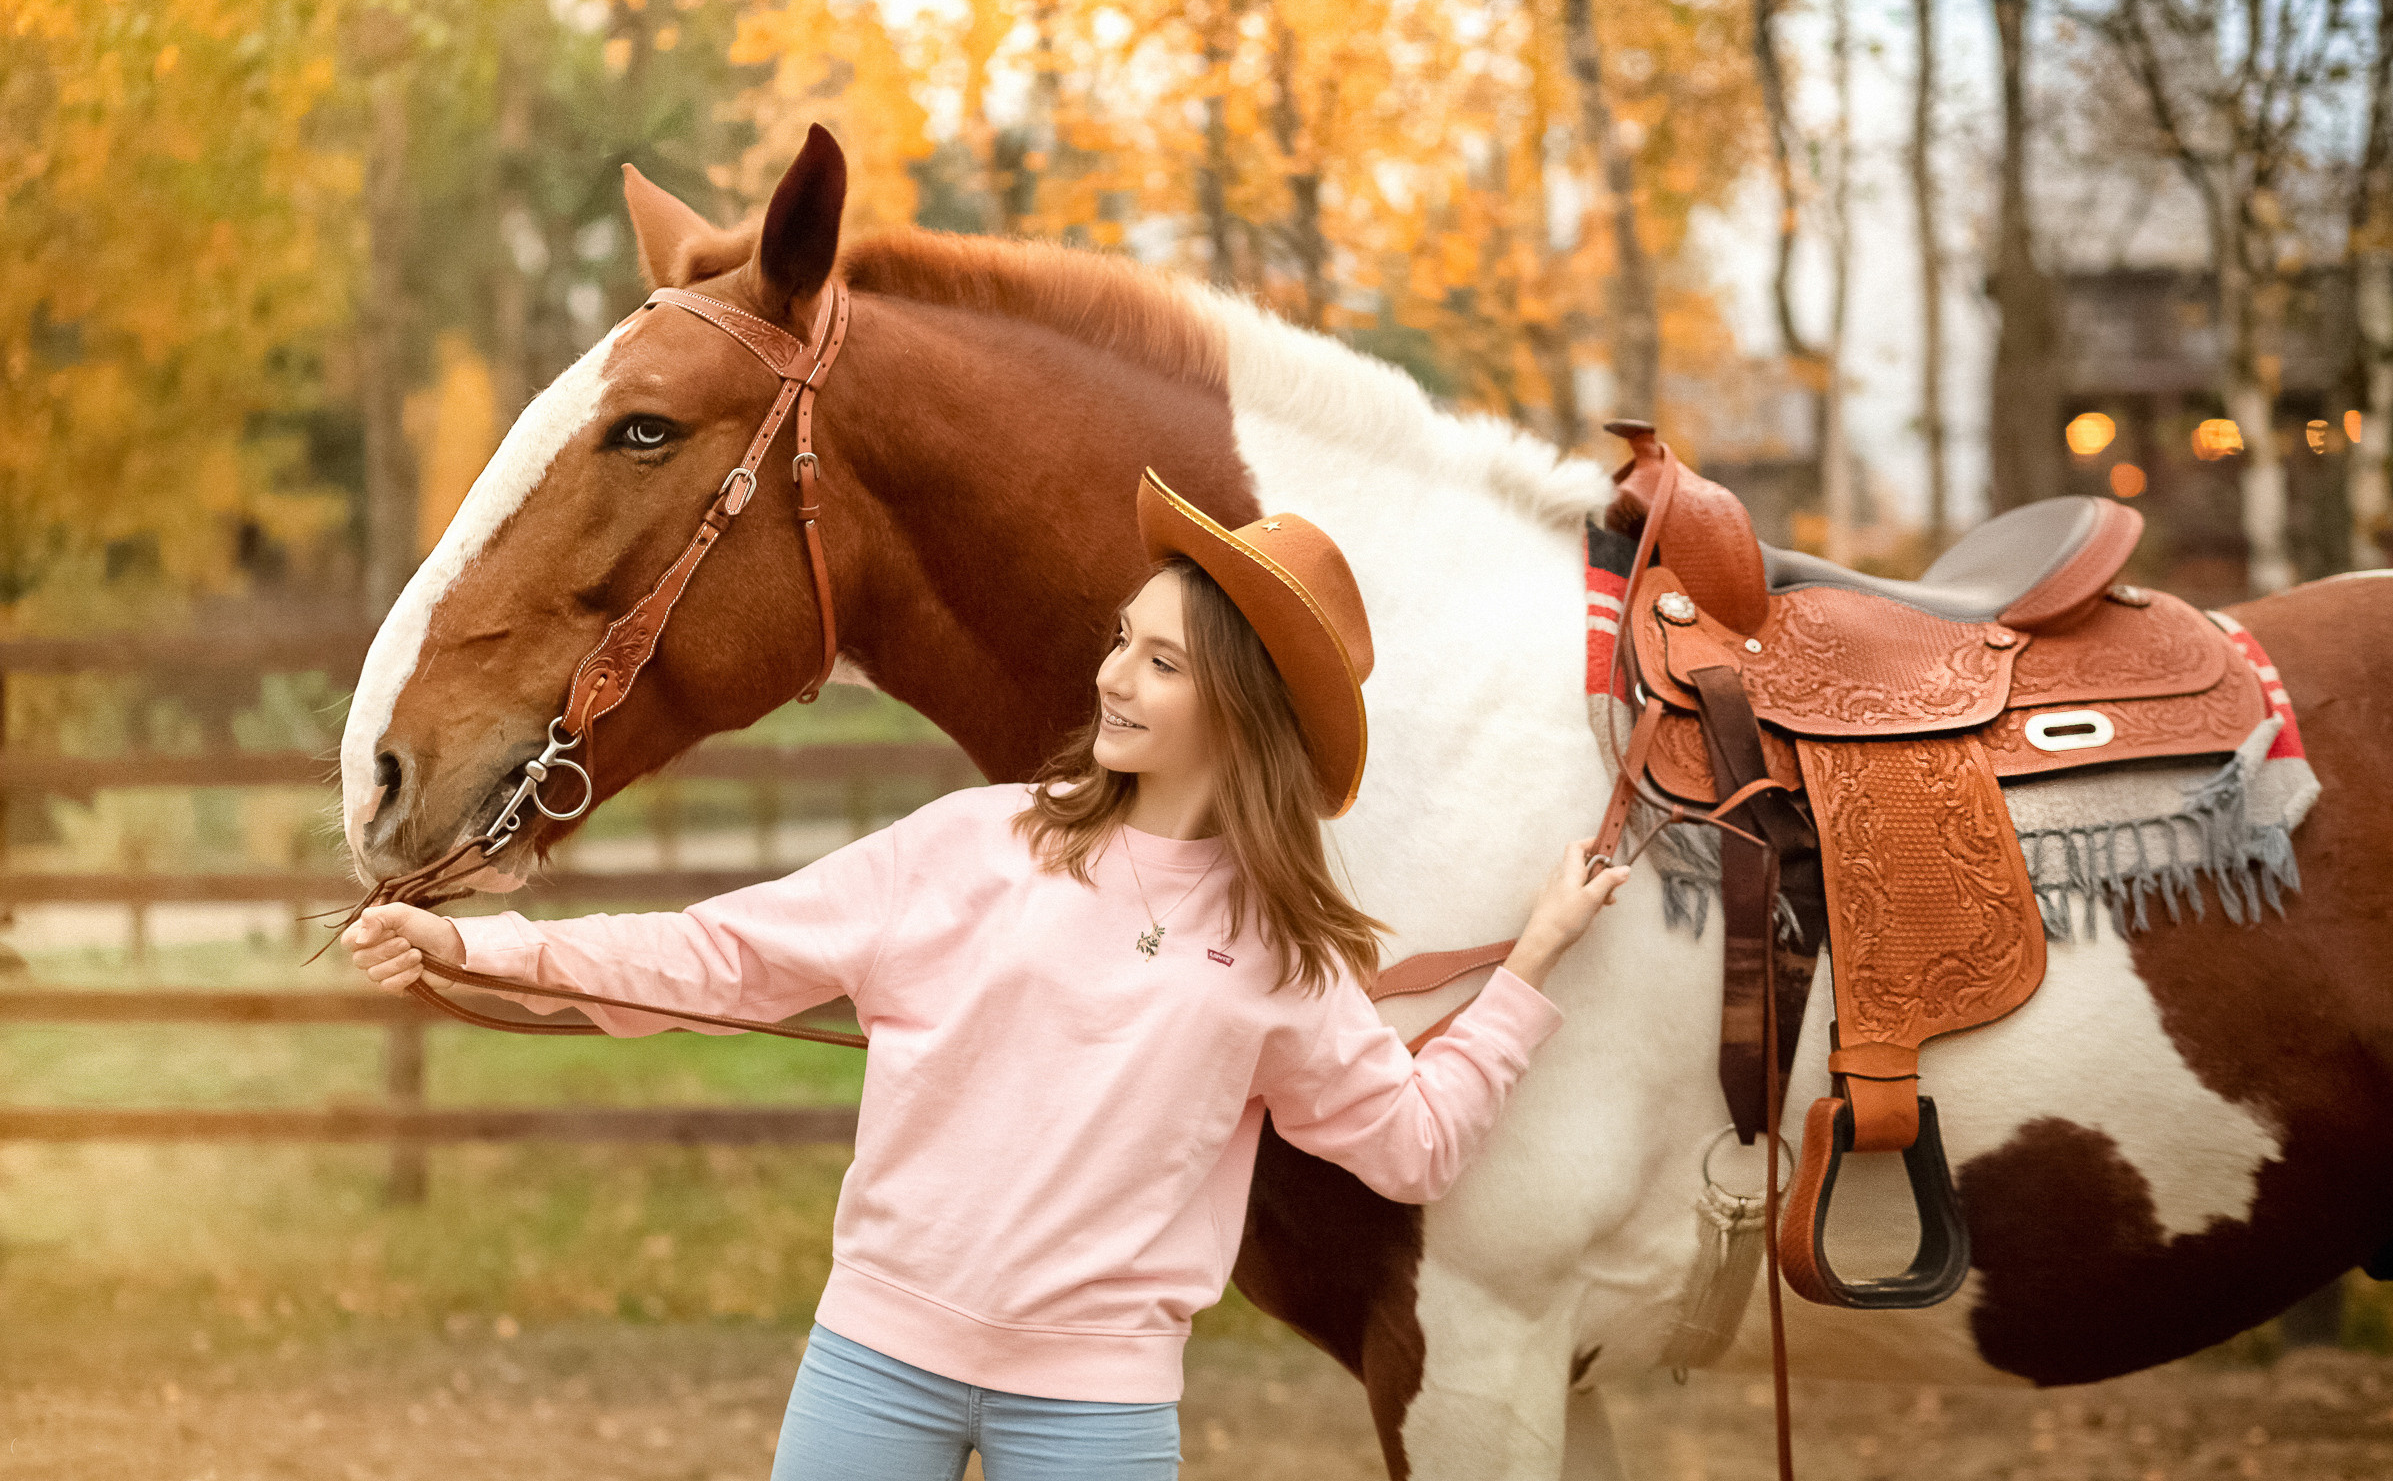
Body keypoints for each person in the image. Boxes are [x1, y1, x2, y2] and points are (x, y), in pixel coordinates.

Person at [344, 469, 1631, 1481]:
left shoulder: (1280, 961)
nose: (1113, 675)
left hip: (1099, 1410)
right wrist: (475, 944)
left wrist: (1525, 971)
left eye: (1162, 662)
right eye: (1125, 641)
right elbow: (718, 957)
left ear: (1239, 711)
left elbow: (1409, 1147)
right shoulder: (972, 845)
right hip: (874, 1362)